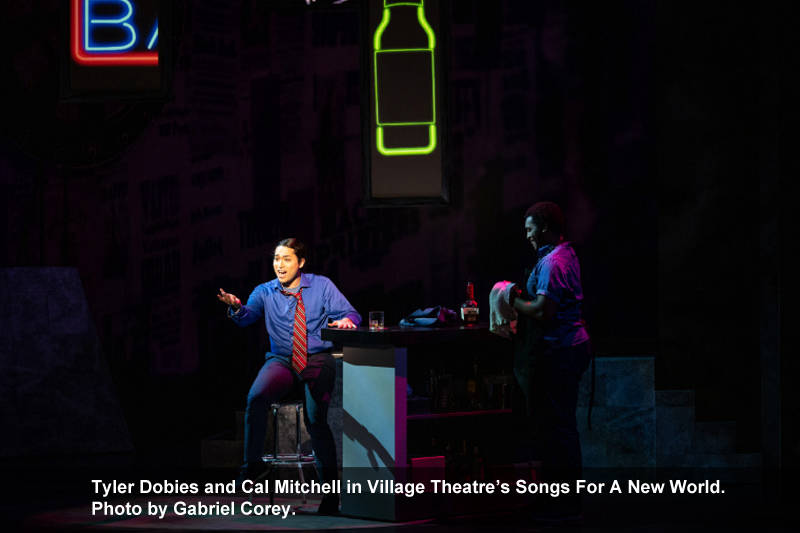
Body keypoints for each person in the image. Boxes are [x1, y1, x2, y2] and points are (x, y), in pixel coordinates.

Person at [217, 238, 360, 515]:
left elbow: (351, 313)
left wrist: (347, 321)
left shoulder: (321, 285)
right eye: (276, 259)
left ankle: (331, 495)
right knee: (256, 397)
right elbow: (247, 316)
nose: (279, 265)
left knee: (316, 420)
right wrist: (235, 307)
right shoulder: (265, 291)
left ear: (301, 262)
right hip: (282, 360)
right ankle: (252, 467)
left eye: (286, 259)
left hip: (316, 357)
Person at [510, 201, 592, 522]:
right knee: (554, 427)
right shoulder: (565, 254)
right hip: (569, 348)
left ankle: (565, 504)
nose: (527, 236)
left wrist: (510, 298)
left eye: (530, 229)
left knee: (559, 429)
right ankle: (555, 499)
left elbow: (544, 310)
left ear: (544, 227)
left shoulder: (553, 262)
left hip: (563, 351)